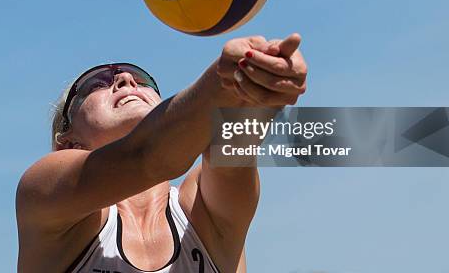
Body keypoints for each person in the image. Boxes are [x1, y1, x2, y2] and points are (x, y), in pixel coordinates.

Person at [15, 33, 308, 273]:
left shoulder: (198, 207)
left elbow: (233, 151)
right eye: (97, 83)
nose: (127, 81)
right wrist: (223, 82)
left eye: (143, 81)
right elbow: (146, 157)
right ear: (68, 143)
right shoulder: (43, 194)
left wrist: (259, 87)